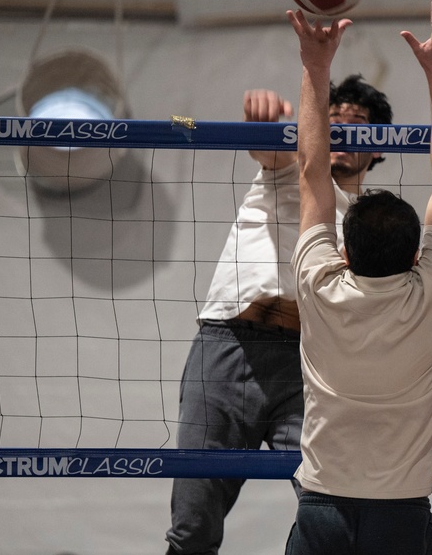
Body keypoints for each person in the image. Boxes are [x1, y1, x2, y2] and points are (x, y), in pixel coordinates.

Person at [165, 77, 393, 555]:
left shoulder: (375, 223)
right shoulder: (288, 168)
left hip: (310, 369)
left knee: (330, 516)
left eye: (359, 125)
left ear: (379, 149)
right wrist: (265, 128)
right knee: (192, 529)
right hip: (229, 349)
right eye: (333, 122)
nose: (344, 132)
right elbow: (263, 149)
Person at [283, 0, 432, 555]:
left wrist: (315, 67)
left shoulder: (319, 284)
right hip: (401, 510)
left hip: (322, 505)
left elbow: (312, 173)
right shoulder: (431, 290)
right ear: (418, 256)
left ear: (342, 250)